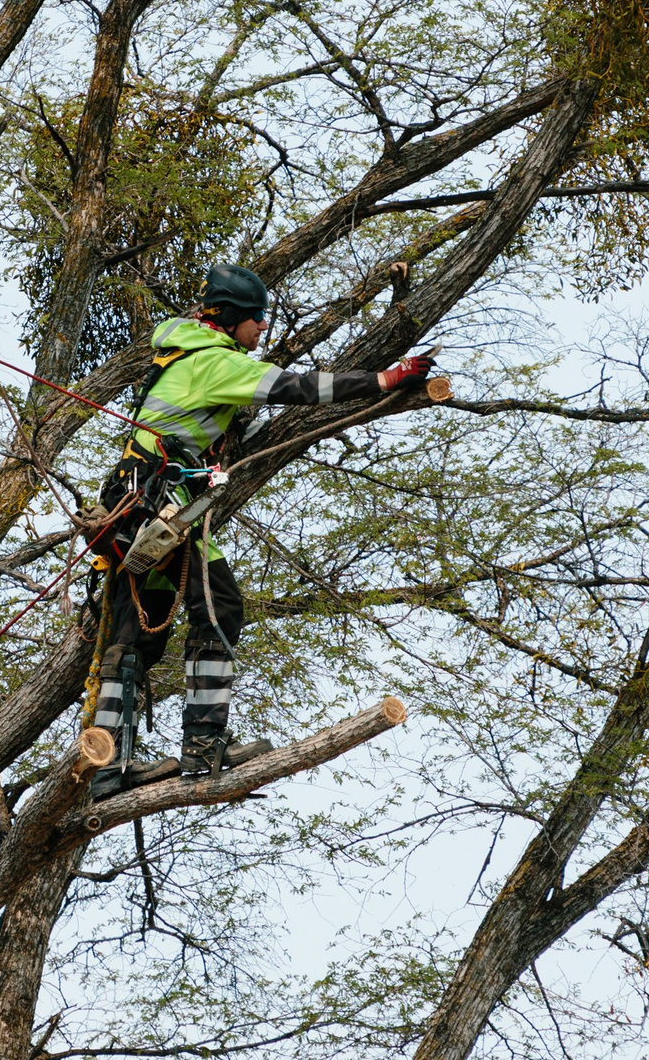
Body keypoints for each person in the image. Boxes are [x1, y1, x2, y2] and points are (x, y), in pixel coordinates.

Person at [87, 262, 435, 798]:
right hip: (162, 507)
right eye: (256, 320)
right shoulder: (216, 361)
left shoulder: (183, 356)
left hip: (134, 504)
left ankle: (106, 766)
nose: (262, 330)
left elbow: (247, 415)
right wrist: (383, 380)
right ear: (230, 318)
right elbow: (298, 388)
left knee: (137, 633)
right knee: (220, 605)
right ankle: (204, 748)